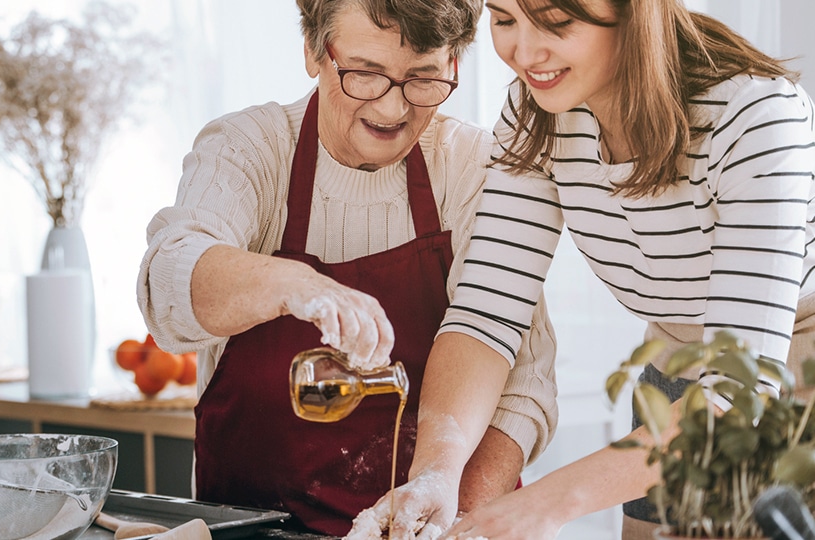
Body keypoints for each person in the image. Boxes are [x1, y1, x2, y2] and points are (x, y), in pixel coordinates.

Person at [349, 0, 815, 538]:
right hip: (676, 368)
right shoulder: (535, 112)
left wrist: (540, 505)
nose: (524, 53)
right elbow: (486, 314)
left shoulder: (756, 115)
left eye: (554, 21)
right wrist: (437, 471)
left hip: (789, 376)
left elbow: (738, 392)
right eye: (504, 21)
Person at [136, 0, 559, 536]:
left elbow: (523, 383)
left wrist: (453, 519)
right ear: (313, 49)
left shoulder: (474, 166)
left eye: (423, 79)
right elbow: (167, 286)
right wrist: (293, 284)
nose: (392, 109)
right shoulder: (250, 148)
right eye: (365, 74)